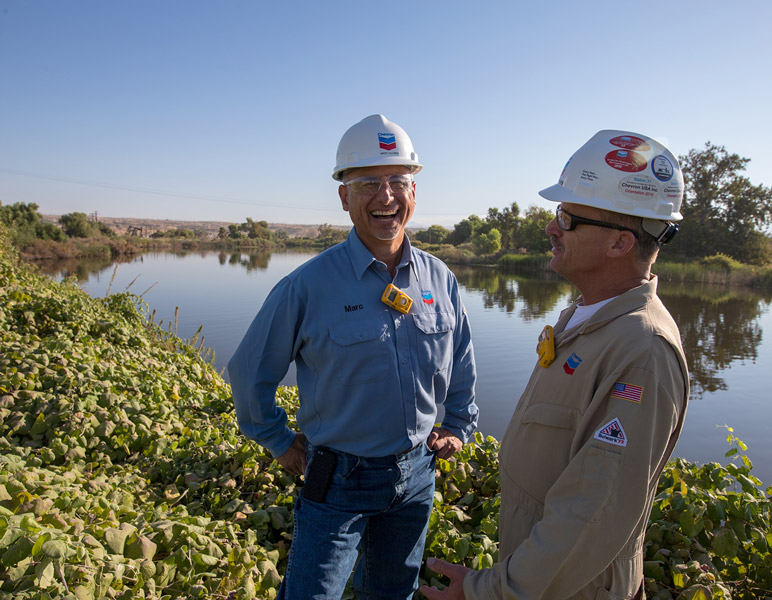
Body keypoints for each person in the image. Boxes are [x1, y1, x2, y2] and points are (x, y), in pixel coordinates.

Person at [420, 130, 690, 600]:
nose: (551, 227)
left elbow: (591, 514)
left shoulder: (641, 353)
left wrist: (488, 591)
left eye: (567, 217)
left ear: (619, 244)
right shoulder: (589, 318)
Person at [228, 114, 478, 600]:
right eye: (368, 183)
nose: (386, 197)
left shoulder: (439, 278)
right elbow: (248, 373)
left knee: (392, 593)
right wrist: (279, 442)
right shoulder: (307, 285)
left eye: (398, 182)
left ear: (413, 191)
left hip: (418, 476)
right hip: (337, 482)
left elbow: (462, 356)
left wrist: (460, 425)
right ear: (344, 196)